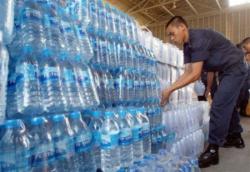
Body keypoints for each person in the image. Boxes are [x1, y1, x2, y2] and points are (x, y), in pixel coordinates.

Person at [161, 16, 247, 168]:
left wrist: (170, 89)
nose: (171, 38)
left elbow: (195, 74)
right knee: (226, 102)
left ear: (182, 27)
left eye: (172, 33)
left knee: (218, 106)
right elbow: (188, 72)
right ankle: (235, 136)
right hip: (224, 70)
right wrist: (170, 88)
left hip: (235, 68)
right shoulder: (187, 47)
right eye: (169, 36)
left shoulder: (198, 38)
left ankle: (213, 150)